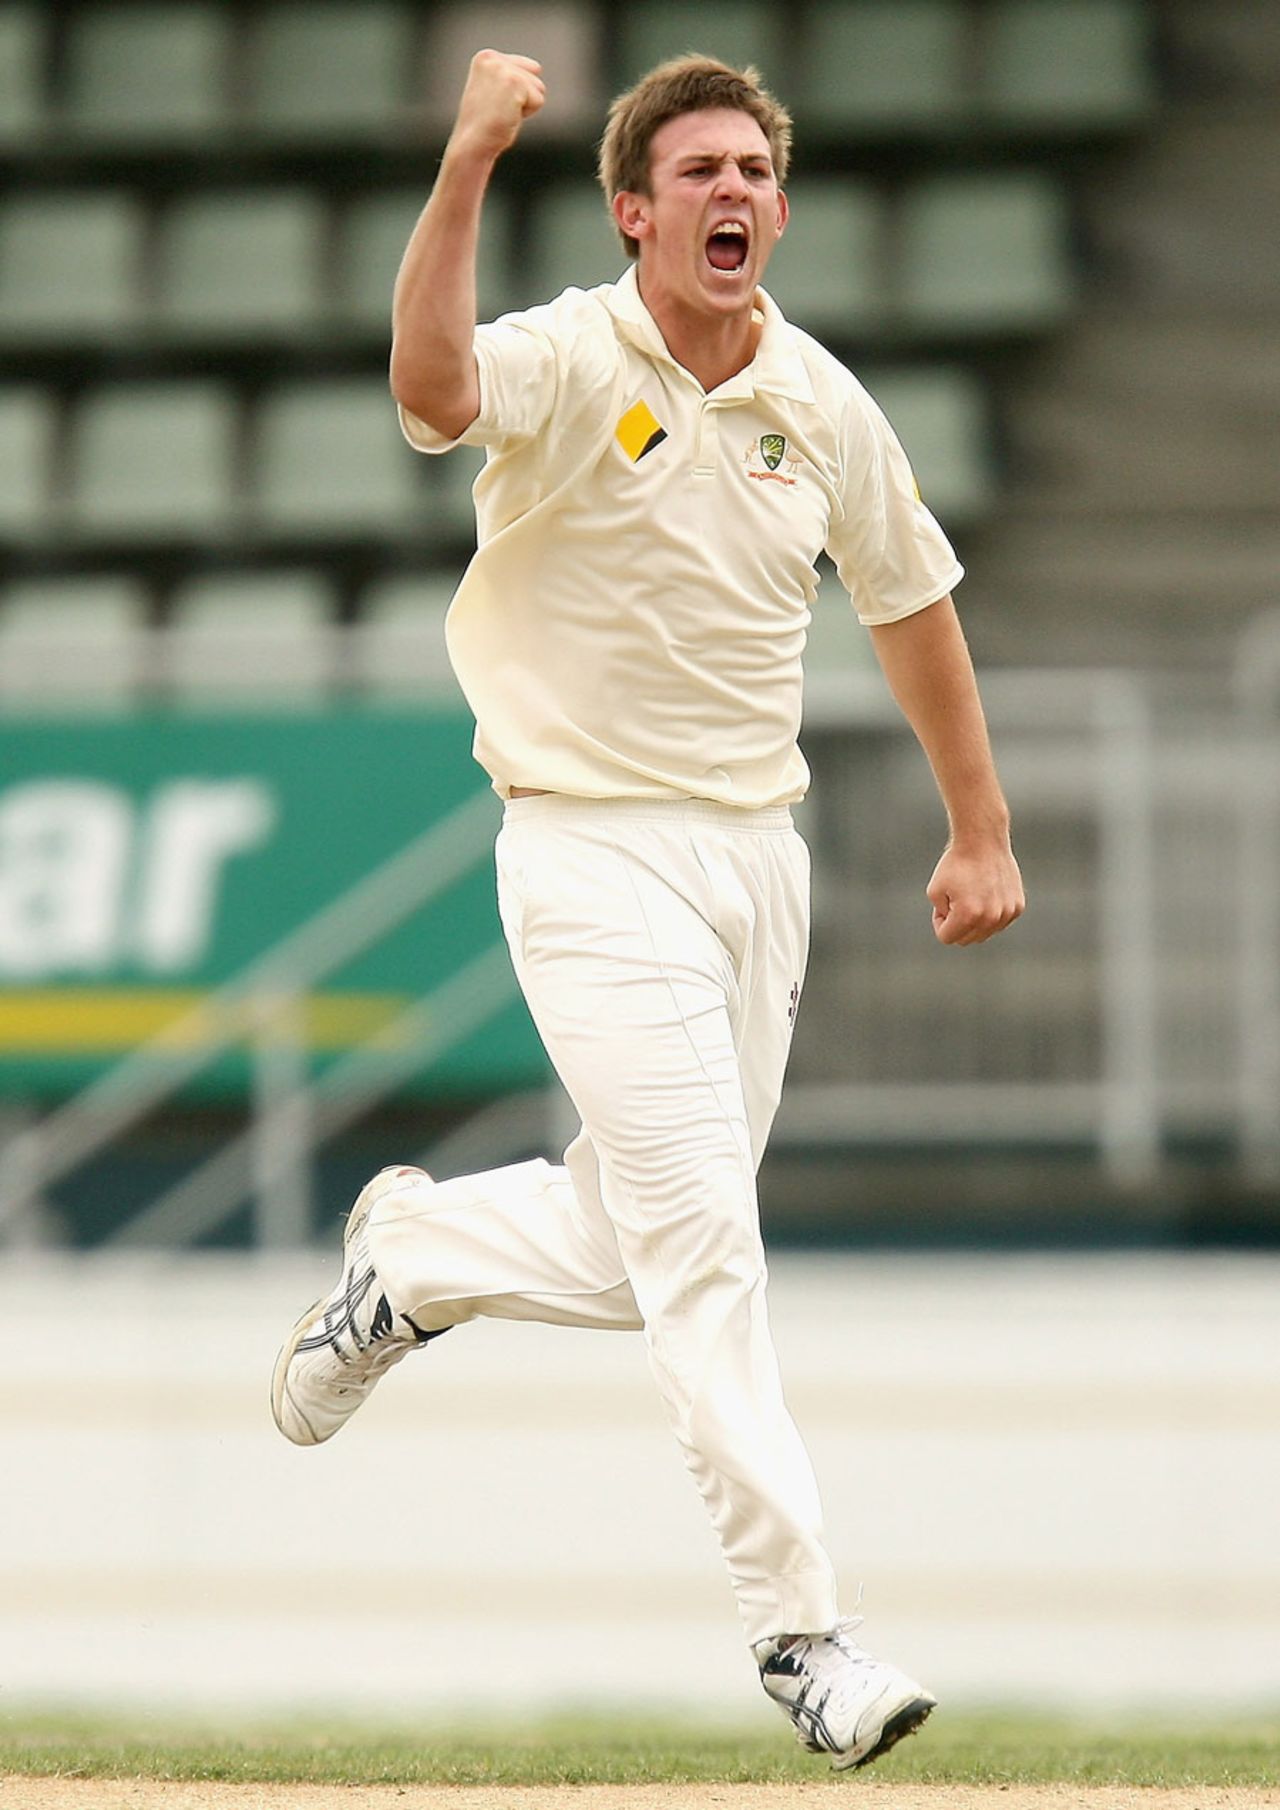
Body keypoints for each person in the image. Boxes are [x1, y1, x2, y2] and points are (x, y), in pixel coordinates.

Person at [271, 49, 1024, 1769]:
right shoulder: (565, 355)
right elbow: (432, 382)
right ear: (636, 212)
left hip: (758, 863)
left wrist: (979, 826)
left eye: (754, 169)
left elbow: (912, 607)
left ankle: (411, 1256)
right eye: (697, 172)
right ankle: (802, 1635)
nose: (733, 193)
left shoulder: (822, 403)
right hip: (585, 846)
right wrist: (466, 156)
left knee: (645, 1242)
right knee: (709, 1250)